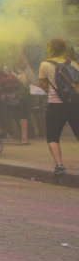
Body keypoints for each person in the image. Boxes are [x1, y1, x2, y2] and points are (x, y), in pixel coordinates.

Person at [38, 38, 79, 176]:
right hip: (74, 104)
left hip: (55, 105)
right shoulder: (73, 63)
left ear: (50, 49)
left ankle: (60, 166)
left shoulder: (45, 64)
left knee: (53, 137)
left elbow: (43, 85)